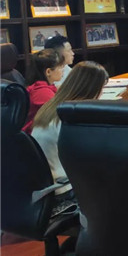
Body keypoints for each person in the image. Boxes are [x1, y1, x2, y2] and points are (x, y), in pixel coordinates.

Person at [32, 61, 109, 217]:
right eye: (101, 89)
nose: (101, 94)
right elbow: (90, 160)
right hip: (63, 192)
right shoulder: (71, 117)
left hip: (44, 187)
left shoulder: (52, 107)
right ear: (91, 89)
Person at [24, 49, 64, 133]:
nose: (63, 69)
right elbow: (60, 115)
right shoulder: (42, 93)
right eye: (60, 67)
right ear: (48, 72)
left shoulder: (42, 87)